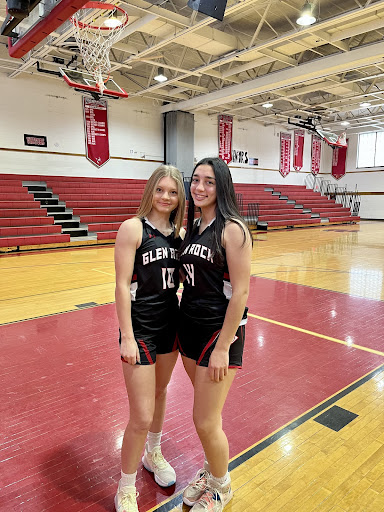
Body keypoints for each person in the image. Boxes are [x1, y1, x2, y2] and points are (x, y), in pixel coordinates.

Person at [178, 157, 252, 512]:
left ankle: (222, 486)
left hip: (218, 335)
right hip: (189, 329)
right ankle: (211, 471)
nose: (200, 187)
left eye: (209, 181)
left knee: (204, 420)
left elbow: (240, 292)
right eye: (195, 180)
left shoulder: (232, 228)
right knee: (209, 415)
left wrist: (224, 346)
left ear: (221, 186)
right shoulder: (193, 226)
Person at [114, 165, 186, 512]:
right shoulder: (132, 228)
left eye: (173, 192)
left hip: (170, 327)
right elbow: (121, 286)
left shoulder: (179, 235)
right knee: (140, 415)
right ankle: (125, 486)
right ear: (150, 191)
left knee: (160, 393)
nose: (166, 197)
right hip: (140, 329)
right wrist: (126, 336)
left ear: (179, 198)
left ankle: (152, 454)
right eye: (161, 190)